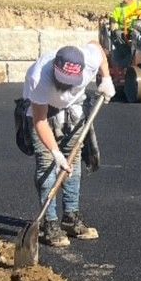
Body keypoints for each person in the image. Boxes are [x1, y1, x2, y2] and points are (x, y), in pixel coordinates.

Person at [23, 41, 115, 248]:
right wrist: (56, 154)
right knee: (47, 164)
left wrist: (106, 78)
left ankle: (70, 218)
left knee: (73, 161)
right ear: (55, 69)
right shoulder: (39, 78)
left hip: (73, 110)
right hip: (43, 113)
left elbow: (98, 48)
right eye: (62, 80)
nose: (65, 84)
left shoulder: (89, 59)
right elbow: (40, 121)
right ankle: (49, 223)